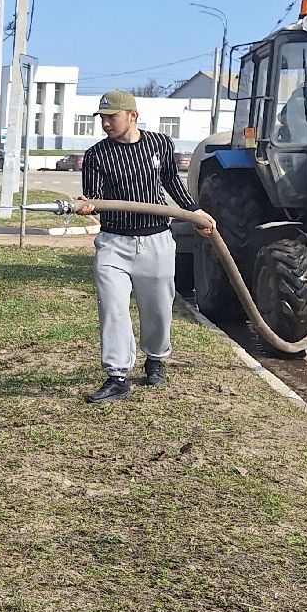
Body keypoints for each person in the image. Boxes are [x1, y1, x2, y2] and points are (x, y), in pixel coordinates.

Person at [75, 90, 215, 403]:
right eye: (103, 118)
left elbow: (173, 184)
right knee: (112, 306)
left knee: (158, 308)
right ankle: (117, 375)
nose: (106, 124)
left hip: (157, 240)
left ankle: (155, 358)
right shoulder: (97, 155)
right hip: (114, 243)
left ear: (132, 116)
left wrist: (194, 212)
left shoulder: (160, 144)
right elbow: (95, 195)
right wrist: (88, 205)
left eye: (112, 117)